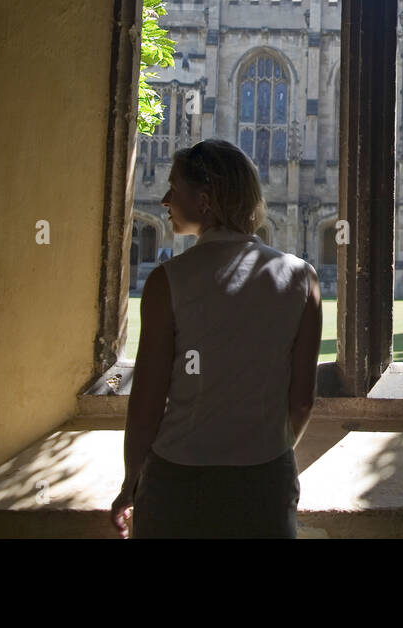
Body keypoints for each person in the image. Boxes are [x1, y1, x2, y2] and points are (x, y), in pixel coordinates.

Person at [109, 139, 321, 538]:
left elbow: (147, 404)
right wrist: (263, 453)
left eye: (175, 188)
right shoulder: (302, 278)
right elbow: (303, 400)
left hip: (178, 481)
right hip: (265, 483)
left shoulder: (166, 281)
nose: (165, 199)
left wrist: (130, 483)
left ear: (205, 200)